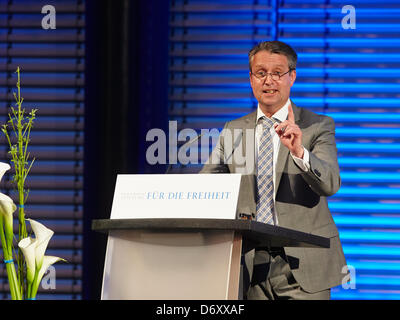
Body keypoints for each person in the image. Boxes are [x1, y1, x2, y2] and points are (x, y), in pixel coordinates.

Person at [200, 40, 347, 300]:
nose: (269, 81)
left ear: (292, 77)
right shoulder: (233, 130)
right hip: (250, 265)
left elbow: (330, 183)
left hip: (304, 265)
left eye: (277, 73)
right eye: (261, 73)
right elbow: (207, 187)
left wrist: (300, 152)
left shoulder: (317, 125)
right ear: (251, 79)